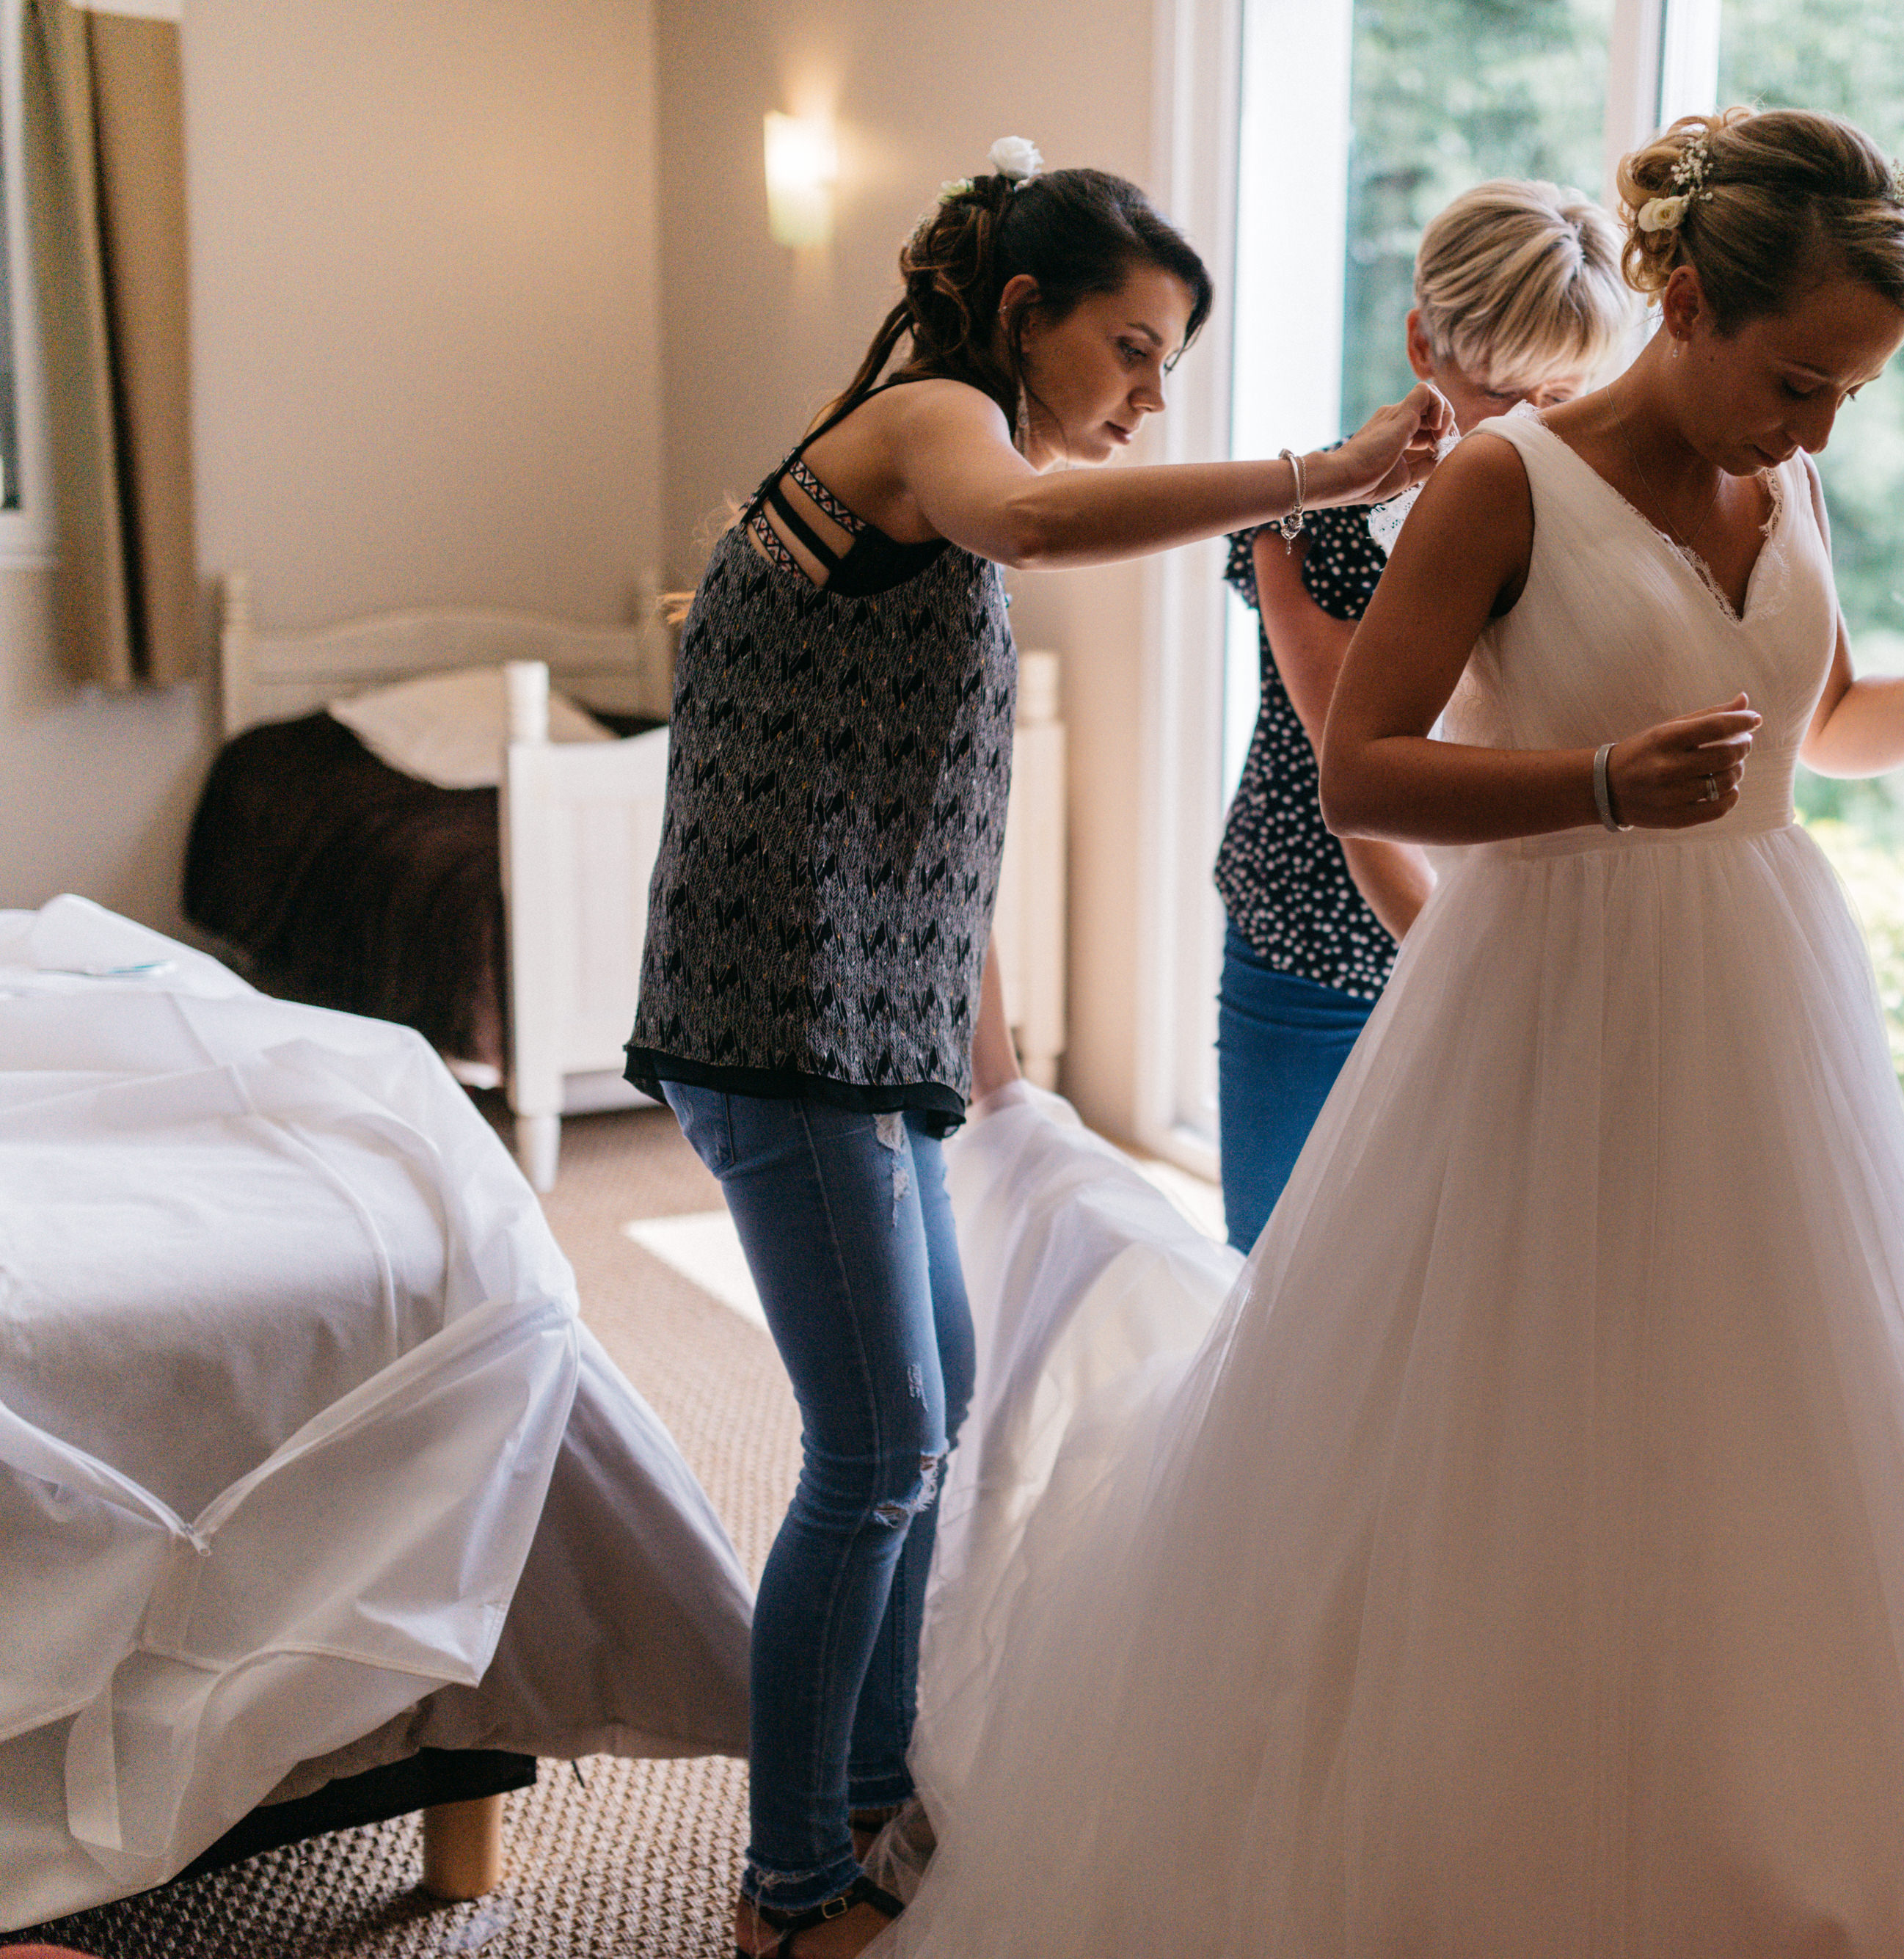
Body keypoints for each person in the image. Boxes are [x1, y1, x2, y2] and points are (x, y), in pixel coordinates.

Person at [878, 108, 1904, 1957]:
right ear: (1682, 306)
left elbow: (1811, 724)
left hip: (1759, 1002)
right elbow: (1361, 768)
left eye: (1850, 394)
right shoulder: (1502, 483)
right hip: (1548, 991)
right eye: (1798, 380)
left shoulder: (1788, 482)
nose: (1817, 429)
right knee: (1508, 1413)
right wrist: (1598, 786)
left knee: (1759, 1416)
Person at [621, 144, 1445, 1959]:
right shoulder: (934, 423)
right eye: (1132, 349)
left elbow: (921, 813)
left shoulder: (937, 461)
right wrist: (1321, 477)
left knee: (927, 1418)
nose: (1150, 397)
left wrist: (977, 1064)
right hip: (782, 1026)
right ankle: (787, 1891)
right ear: (1019, 312)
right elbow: (1041, 525)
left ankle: (866, 1796)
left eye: (1172, 366)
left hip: (857, 1034)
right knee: (874, 1449)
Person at [1214, 179, 1637, 1250]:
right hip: (1316, 938)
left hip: (1502, 939)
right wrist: (1472, 978)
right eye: (1499, 394)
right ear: (1421, 347)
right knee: (1280, 1257)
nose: (1529, 427)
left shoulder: (1595, 516)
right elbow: (1364, 792)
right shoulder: (1314, 516)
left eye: (1563, 394)